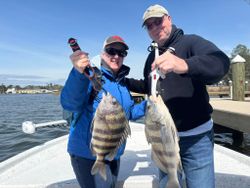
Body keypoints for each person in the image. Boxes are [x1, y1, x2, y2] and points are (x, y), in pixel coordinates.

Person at [126, 4, 230, 188]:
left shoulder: (191, 42)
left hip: (196, 138)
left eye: (158, 21)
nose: (154, 28)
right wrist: (126, 82)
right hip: (162, 137)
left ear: (169, 19)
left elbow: (220, 63)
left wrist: (185, 65)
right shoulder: (151, 58)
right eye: (149, 26)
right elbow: (149, 86)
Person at [60, 35, 146, 188]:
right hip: (87, 155)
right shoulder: (89, 75)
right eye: (111, 51)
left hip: (113, 152)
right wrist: (78, 73)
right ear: (102, 53)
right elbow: (70, 103)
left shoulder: (123, 83)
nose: (116, 56)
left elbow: (128, 113)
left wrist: (149, 105)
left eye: (122, 53)